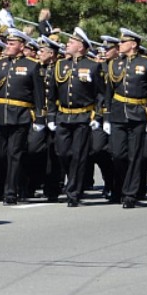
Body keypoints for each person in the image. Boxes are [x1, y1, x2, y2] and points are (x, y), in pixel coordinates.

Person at [0, 29, 45, 205]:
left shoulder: (32, 65)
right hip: (0, 115)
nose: (8, 46)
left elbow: (39, 94)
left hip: (21, 115)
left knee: (14, 153)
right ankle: (18, 182)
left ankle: (10, 192)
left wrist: (40, 117)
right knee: (2, 154)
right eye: (8, 43)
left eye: (12, 44)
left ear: (21, 46)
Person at [48, 27, 105, 207]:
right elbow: (52, 94)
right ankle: (72, 182)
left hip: (83, 116)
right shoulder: (60, 65)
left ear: (81, 47)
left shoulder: (93, 66)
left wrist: (97, 116)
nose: (67, 45)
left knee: (79, 156)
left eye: (71, 43)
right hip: (64, 116)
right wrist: (51, 116)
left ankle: (74, 192)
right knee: (63, 153)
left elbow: (101, 94)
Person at [103, 28, 147, 209]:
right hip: (118, 113)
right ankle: (124, 185)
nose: (120, 45)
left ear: (133, 44)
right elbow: (109, 92)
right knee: (118, 155)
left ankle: (130, 194)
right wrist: (106, 117)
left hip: (138, 113)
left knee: (135, 156)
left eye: (123, 42)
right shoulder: (114, 64)